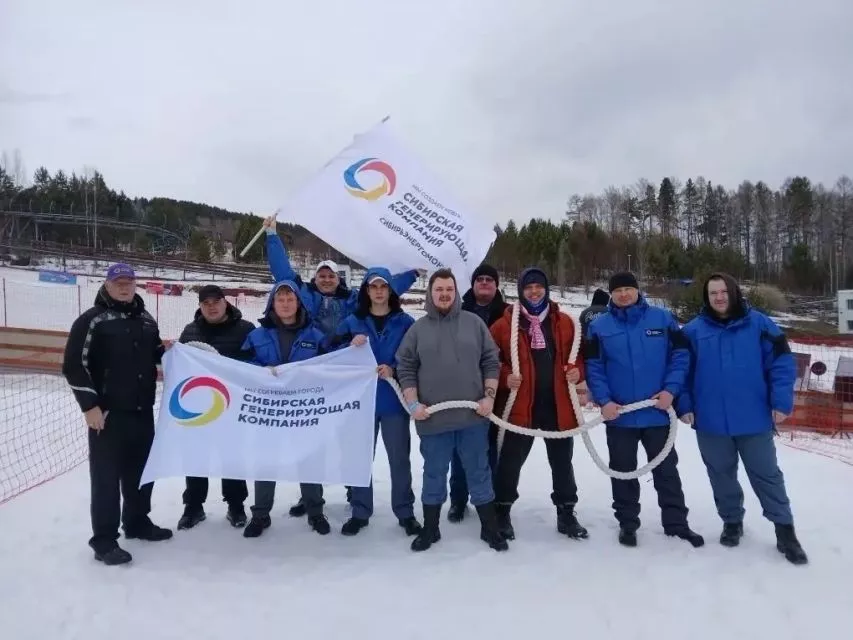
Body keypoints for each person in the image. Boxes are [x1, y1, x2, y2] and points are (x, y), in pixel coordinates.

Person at [261, 216, 421, 516]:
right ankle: (312, 498)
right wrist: (272, 235)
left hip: (355, 381)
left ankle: (364, 498)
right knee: (318, 442)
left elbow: (385, 287)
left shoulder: (352, 304)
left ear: (340, 280)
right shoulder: (304, 297)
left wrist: (412, 272)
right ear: (315, 279)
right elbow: (282, 272)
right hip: (317, 372)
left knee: (372, 452)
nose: (325, 279)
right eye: (321, 275)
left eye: (331, 276)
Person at [678, 273, 807, 565]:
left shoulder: (760, 325)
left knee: (767, 475)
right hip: (711, 421)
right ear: (706, 298)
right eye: (713, 293)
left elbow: (782, 364)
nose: (719, 298)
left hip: (754, 418)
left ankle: (785, 530)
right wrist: (684, 403)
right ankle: (732, 521)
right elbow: (681, 372)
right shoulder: (693, 332)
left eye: (723, 292)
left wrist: (781, 401)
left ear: (734, 293)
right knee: (721, 475)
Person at [61, 263, 172, 566]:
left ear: (136, 285)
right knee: (106, 478)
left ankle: (137, 522)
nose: (124, 286)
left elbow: (157, 354)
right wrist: (90, 406)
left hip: (141, 410)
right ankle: (105, 540)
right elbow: (73, 364)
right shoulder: (92, 320)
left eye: (129, 281)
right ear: (108, 285)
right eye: (118, 282)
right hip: (107, 414)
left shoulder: (146, 320)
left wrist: (184, 357)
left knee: (140, 473)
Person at [584, 271, 704, 548]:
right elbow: (594, 367)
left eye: (628, 288)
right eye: (618, 290)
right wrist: (604, 401)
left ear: (637, 290)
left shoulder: (662, 319)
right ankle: (628, 523)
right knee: (623, 471)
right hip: (620, 416)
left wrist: (671, 390)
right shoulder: (599, 326)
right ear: (611, 294)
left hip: (657, 413)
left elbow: (680, 355)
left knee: (667, 471)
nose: (623, 294)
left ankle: (676, 524)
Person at [395, 268, 507, 552]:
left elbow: (490, 361)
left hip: (473, 418)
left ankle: (489, 528)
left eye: (449, 289)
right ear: (430, 293)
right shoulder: (417, 329)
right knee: (434, 473)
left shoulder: (473, 324)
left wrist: (489, 397)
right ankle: (431, 529)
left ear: (456, 291)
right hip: (433, 420)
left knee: (479, 471)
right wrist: (412, 402)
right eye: (438, 289)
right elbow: (405, 367)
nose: (444, 294)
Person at [490, 267, 589, 541]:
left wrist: (577, 371)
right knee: (510, 461)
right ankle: (502, 509)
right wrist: (503, 377)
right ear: (520, 291)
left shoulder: (566, 323)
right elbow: (487, 361)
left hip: (557, 406)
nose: (534, 292)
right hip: (521, 407)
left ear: (546, 289)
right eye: (528, 287)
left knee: (562, 462)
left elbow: (579, 355)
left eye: (538, 286)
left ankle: (566, 511)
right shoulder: (503, 325)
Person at [332, 267, 421, 537]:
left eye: (384, 286)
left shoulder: (405, 322)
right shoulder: (352, 321)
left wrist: (393, 368)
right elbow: (330, 351)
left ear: (390, 290)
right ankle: (360, 511)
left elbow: (413, 356)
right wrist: (348, 346)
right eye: (374, 286)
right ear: (366, 291)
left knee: (399, 460)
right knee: (360, 459)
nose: (379, 291)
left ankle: (405, 512)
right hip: (361, 403)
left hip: (393, 401)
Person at [239, 280, 330, 538]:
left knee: (309, 461)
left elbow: (333, 364)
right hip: (269, 412)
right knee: (266, 462)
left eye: (291, 300)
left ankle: (315, 512)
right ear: (273, 304)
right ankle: (260, 515)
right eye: (281, 300)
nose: (286, 304)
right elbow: (243, 367)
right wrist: (260, 371)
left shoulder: (316, 335)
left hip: (303, 412)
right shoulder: (257, 336)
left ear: (298, 303)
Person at [175, 284, 255, 530]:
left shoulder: (246, 329)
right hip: (200, 408)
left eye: (215, 302)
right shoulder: (190, 332)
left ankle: (235, 505)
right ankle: (194, 506)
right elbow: (180, 367)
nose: (211, 307)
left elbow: (254, 363)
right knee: (196, 456)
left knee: (232, 456)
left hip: (233, 408)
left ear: (225, 302)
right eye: (205, 303)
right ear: (200, 306)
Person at [447, 263, 509, 522]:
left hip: (496, 392)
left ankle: (489, 498)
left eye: (489, 280)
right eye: (480, 279)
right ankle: (458, 500)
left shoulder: (508, 315)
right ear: (473, 284)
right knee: (459, 449)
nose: (484, 283)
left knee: (492, 450)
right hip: (462, 389)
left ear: (496, 285)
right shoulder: (456, 311)